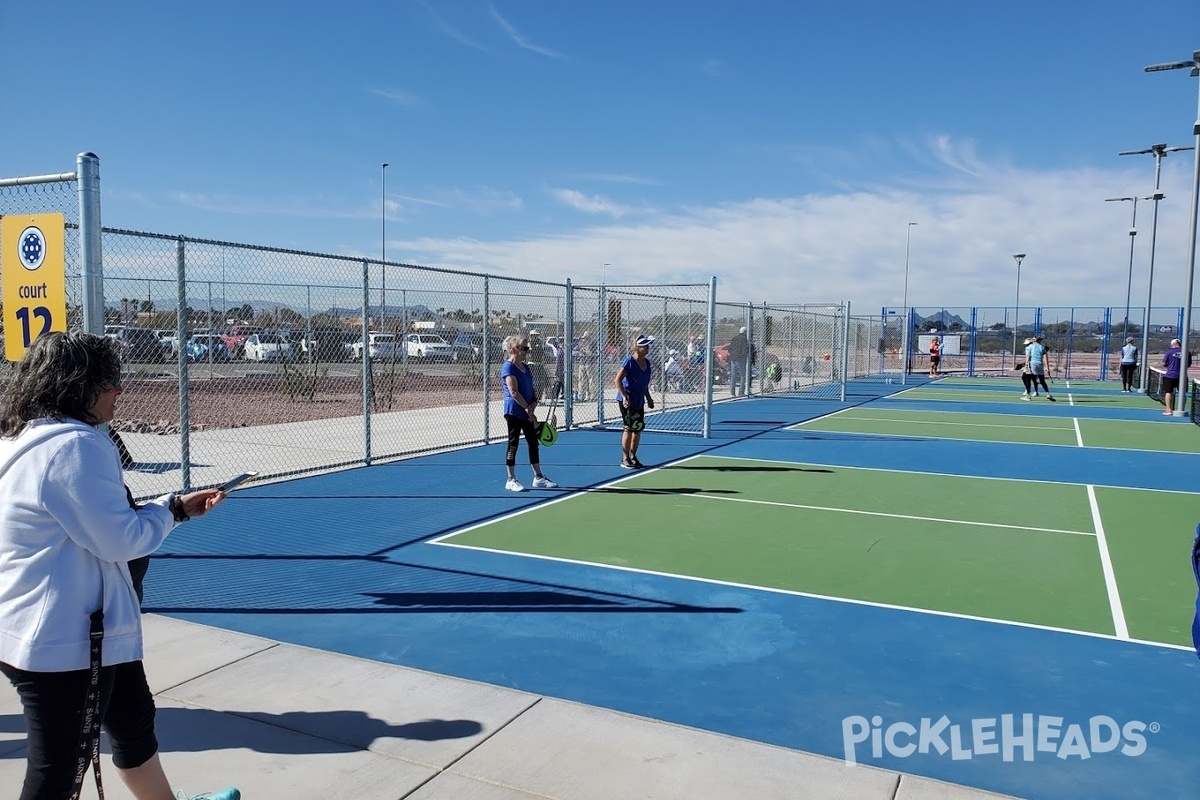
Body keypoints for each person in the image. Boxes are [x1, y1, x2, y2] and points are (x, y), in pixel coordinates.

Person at [0, 331, 238, 800]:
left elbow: (92, 518)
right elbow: (121, 539)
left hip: (78, 629)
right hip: (65, 640)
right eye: (112, 381)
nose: (119, 392)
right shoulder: (73, 448)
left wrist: (172, 507)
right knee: (58, 770)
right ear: (81, 386)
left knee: (133, 725)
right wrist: (169, 512)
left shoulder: (23, 440)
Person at [500, 334, 557, 491]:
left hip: (527, 411)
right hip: (513, 411)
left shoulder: (526, 367)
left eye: (527, 348)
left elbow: (531, 390)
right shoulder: (508, 367)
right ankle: (511, 479)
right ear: (513, 349)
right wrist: (527, 408)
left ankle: (538, 477)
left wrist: (533, 403)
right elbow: (514, 392)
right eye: (523, 348)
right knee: (514, 444)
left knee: (533, 442)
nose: (526, 351)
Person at [615, 334, 655, 469]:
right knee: (628, 428)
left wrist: (648, 398)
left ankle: (633, 456)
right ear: (638, 348)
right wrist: (624, 396)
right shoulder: (629, 362)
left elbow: (644, 384)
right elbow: (618, 380)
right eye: (645, 345)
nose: (648, 347)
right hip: (627, 400)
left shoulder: (647, 363)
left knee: (637, 428)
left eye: (648, 345)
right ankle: (624, 458)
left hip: (639, 400)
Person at [1024, 335, 1056, 402]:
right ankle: (1048, 394)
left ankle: (1028, 396)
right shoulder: (1042, 347)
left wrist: (1026, 365)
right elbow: (1045, 357)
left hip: (1032, 364)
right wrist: (1047, 368)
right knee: (1042, 380)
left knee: (1028, 380)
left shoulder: (1029, 347)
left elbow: (1027, 356)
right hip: (1040, 364)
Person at [1161, 338, 1184, 416]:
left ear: (1173, 344)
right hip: (1182, 376)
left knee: (1168, 392)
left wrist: (1169, 365)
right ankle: (1181, 408)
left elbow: (1164, 363)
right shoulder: (1186, 352)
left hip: (1170, 375)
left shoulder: (1169, 352)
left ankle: (1168, 409)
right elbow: (1188, 364)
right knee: (1182, 392)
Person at [526, 330, 549, 399]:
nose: (535, 337)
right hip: (532, 365)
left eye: (536, 335)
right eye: (534, 335)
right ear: (531, 336)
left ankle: (539, 397)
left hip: (539, 364)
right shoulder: (528, 344)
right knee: (533, 381)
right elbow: (527, 351)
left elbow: (542, 353)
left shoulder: (540, 343)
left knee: (540, 381)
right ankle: (532, 396)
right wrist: (532, 349)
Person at [727, 326, 750, 396]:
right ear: (745, 332)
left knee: (733, 376)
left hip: (733, 359)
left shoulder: (734, 338)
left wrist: (733, 355)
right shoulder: (744, 339)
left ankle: (732, 392)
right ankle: (741, 392)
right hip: (740, 359)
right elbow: (744, 350)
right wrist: (744, 356)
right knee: (743, 375)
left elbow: (729, 349)